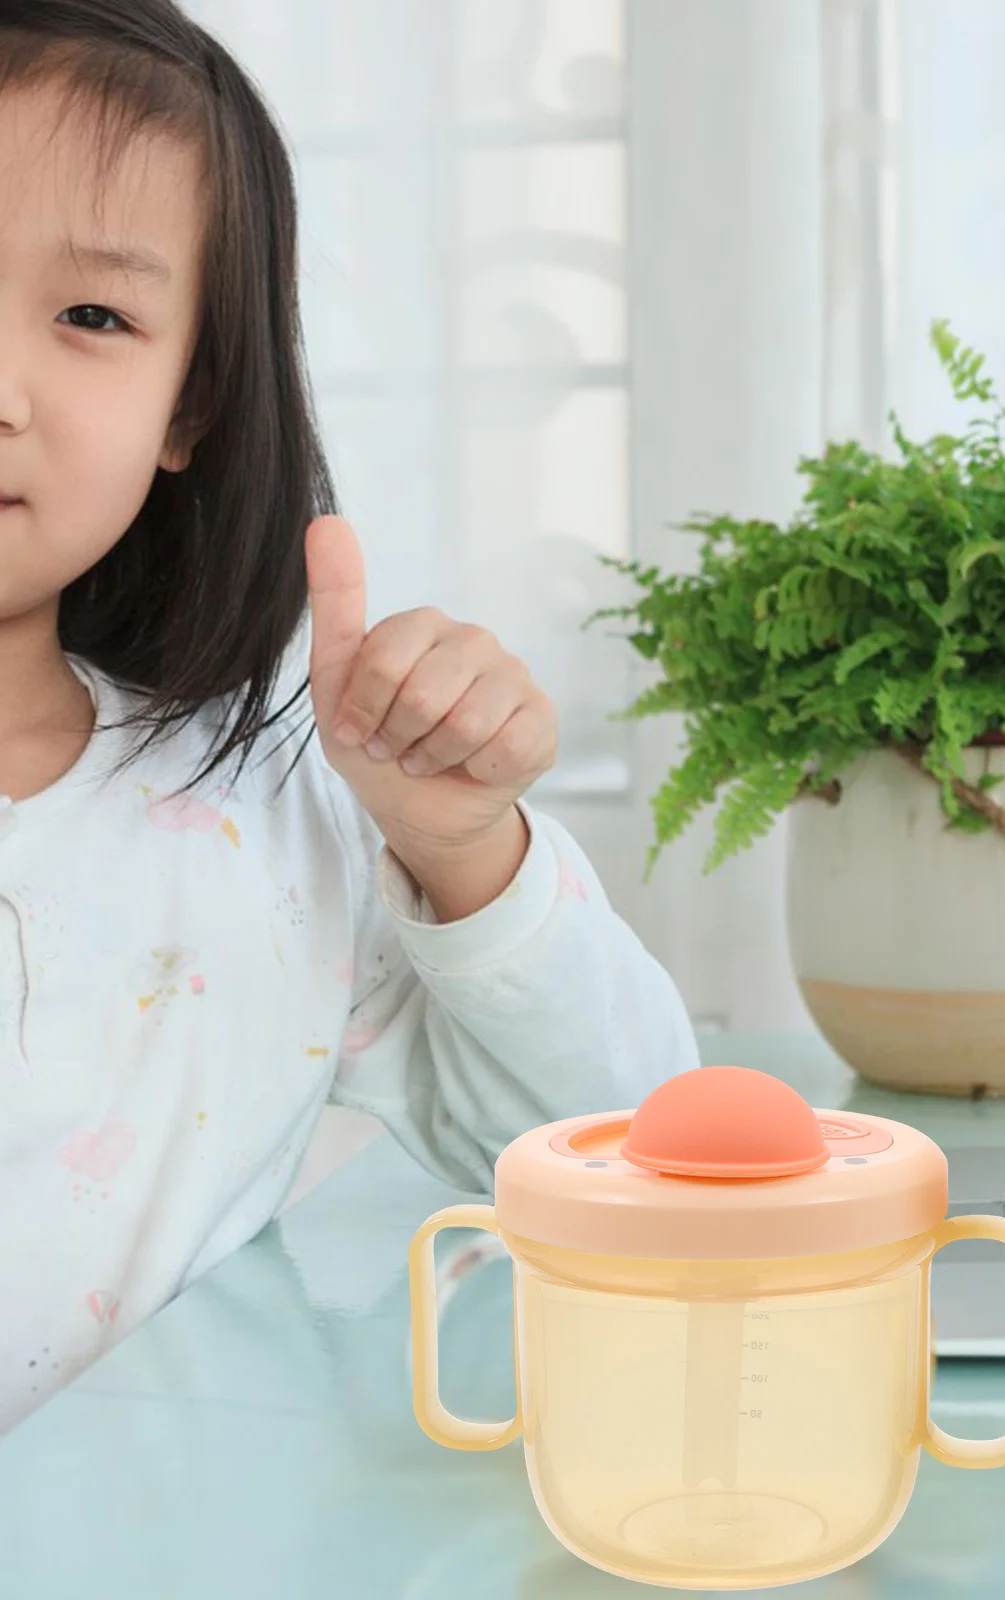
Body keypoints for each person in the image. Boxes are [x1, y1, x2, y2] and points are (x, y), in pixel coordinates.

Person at [0, 0, 700, 1434]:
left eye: (91, 317)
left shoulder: (258, 825)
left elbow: (626, 1148)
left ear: (188, 408)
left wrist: (463, 850)